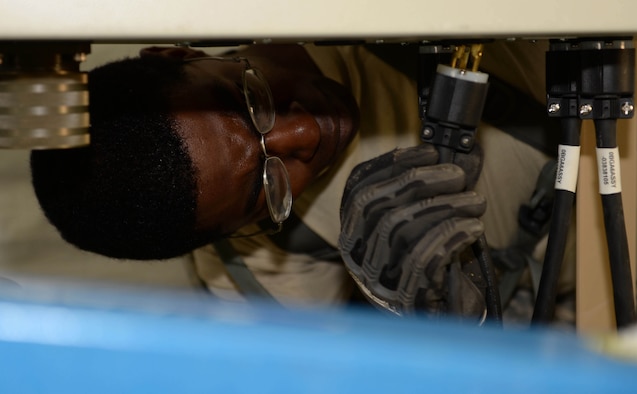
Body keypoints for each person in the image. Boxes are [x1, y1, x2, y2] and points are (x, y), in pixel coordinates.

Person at [30, 40, 572, 320]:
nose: (305, 133)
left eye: (250, 99)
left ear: (180, 54)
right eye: (267, 188)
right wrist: (411, 311)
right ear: (231, 235)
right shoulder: (256, 278)